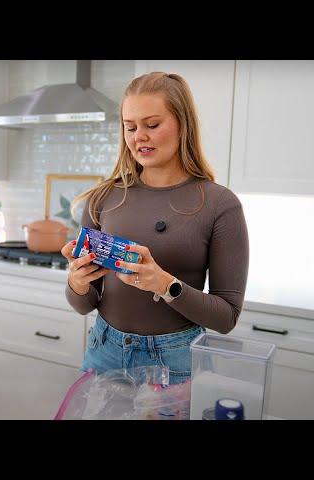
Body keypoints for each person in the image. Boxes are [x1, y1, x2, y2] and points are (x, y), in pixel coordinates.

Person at [61, 72, 249, 385]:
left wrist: (164, 284)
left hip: (176, 360)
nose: (138, 137)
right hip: (105, 350)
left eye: (152, 125)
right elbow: (84, 304)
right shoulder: (104, 196)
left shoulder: (219, 204)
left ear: (182, 124)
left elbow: (226, 317)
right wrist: (77, 283)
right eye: (130, 126)